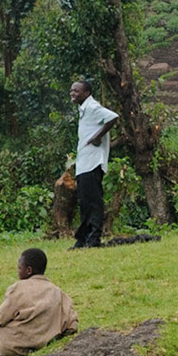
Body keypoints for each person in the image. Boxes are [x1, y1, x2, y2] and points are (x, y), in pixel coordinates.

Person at [68, 79, 119, 248]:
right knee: (84, 202)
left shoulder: (92, 107)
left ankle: (93, 238)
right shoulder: (84, 110)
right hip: (84, 162)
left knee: (93, 202)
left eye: (76, 91)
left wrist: (98, 137)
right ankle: (82, 239)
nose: (72, 93)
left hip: (93, 162)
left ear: (86, 93)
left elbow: (112, 117)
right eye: (72, 90)